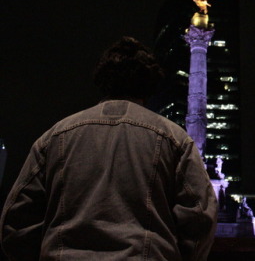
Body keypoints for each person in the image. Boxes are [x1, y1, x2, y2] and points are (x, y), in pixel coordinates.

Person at [0, 37, 217, 260]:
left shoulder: (54, 137)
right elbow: (200, 215)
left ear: (102, 80)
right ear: (151, 86)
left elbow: (17, 220)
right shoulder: (175, 139)